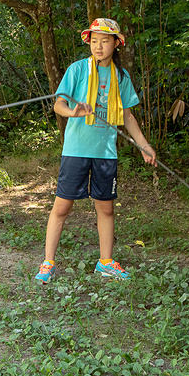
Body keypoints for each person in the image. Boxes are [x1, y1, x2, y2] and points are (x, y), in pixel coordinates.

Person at [35, 18, 157, 284]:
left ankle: (105, 262)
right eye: (95, 40)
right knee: (62, 207)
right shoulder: (78, 70)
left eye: (105, 41)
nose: (99, 46)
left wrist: (144, 146)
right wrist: (73, 111)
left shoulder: (120, 77)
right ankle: (47, 263)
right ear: (88, 42)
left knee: (106, 209)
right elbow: (59, 104)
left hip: (105, 152)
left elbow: (127, 116)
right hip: (76, 150)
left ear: (116, 44)